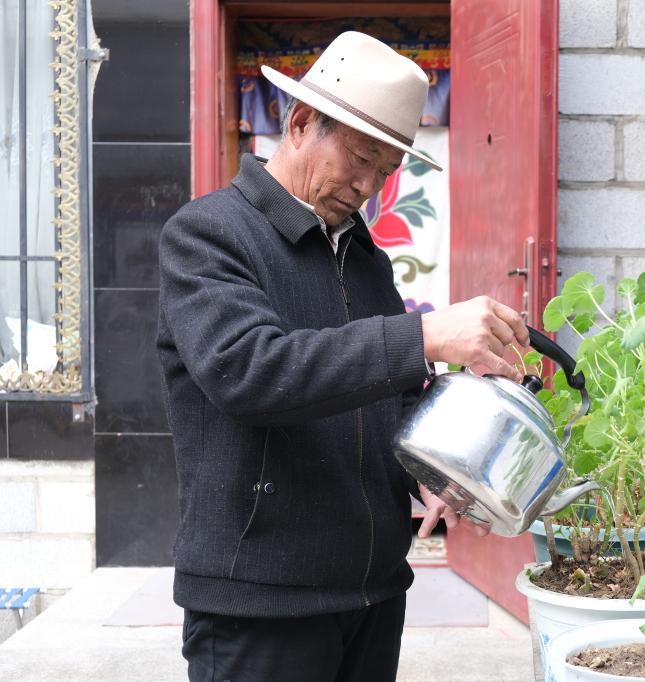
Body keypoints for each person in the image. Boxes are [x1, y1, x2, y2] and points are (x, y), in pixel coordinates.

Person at [157, 31, 529, 681]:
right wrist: (424, 336)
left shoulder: (364, 258)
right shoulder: (209, 233)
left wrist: (431, 466)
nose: (367, 185)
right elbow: (248, 371)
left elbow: (391, 395)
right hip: (260, 602)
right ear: (301, 122)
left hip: (373, 592)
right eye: (359, 158)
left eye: (386, 171)